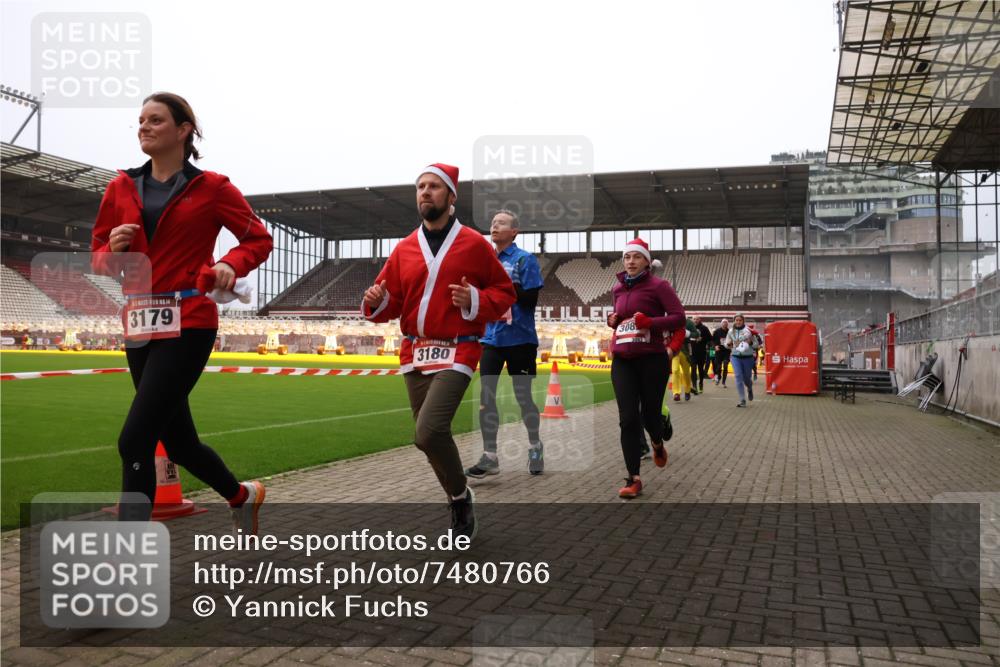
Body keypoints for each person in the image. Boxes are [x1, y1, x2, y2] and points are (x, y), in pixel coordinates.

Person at [91, 92, 273, 531]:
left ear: (183, 130)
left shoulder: (212, 188)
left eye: (155, 120)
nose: (144, 127)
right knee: (179, 442)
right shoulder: (120, 187)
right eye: (140, 120)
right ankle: (242, 495)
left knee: (135, 439)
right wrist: (112, 252)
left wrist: (229, 264)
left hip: (188, 320)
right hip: (137, 323)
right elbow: (97, 254)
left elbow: (258, 239)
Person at [362, 164, 515, 539]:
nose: (425, 192)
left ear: (451, 196)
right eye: (420, 187)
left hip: (459, 349)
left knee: (428, 432)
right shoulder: (403, 249)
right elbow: (389, 304)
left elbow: (505, 295)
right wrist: (374, 301)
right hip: (415, 351)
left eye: (433, 186)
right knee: (427, 435)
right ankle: (460, 495)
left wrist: (474, 298)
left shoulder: (475, 245)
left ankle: (460, 500)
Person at [465, 209, 545, 479]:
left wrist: (503, 288)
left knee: (523, 399)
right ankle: (490, 456)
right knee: (486, 396)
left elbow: (530, 299)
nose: (494, 226)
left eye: (501, 223)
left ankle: (535, 446)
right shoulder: (484, 261)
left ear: (514, 232)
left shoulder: (525, 260)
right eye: (492, 223)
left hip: (520, 339)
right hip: (491, 338)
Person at [607, 238, 685, 498]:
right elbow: (619, 318)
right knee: (628, 419)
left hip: (652, 360)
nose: (630, 261)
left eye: (636, 257)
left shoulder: (659, 286)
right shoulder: (618, 288)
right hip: (622, 360)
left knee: (650, 416)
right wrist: (612, 320)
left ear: (646, 261)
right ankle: (633, 478)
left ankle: (657, 442)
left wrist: (650, 321)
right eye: (627, 257)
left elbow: (678, 318)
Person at [725, 313, 760, 407]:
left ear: (743, 321)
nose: (738, 322)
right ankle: (742, 399)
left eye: (740, 320)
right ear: (734, 321)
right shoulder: (731, 331)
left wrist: (751, 342)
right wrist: (728, 344)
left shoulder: (749, 331)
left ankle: (749, 388)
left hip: (748, 357)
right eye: (736, 320)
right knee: (738, 376)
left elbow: (757, 345)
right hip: (735, 357)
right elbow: (726, 343)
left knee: (746, 378)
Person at [671, 317, 698, 401]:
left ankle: (687, 390)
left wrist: (687, 333)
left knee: (686, 373)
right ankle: (676, 393)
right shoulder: (670, 320)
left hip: (685, 351)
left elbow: (696, 334)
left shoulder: (688, 322)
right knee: (675, 370)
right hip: (674, 350)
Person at [691, 315, 712, 392]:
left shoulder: (704, 328)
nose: (695, 320)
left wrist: (702, 339)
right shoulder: (690, 328)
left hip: (701, 352)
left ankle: (701, 383)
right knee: (693, 368)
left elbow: (710, 338)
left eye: (697, 319)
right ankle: (694, 385)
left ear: (700, 320)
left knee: (700, 369)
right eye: (694, 319)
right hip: (692, 352)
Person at [712, 319, 731, 387]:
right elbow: (713, 340)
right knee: (719, 366)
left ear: (727, 324)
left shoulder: (730, 331)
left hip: (727, 350)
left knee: (725, 365)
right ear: (721, 324)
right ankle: (718, 376)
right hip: (719, 350)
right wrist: (715, 346)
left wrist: (731, 344)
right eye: (723, 323)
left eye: (726, 323)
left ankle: (723, 382)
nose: (725, 324)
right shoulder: (717, 331)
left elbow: (733, 340)